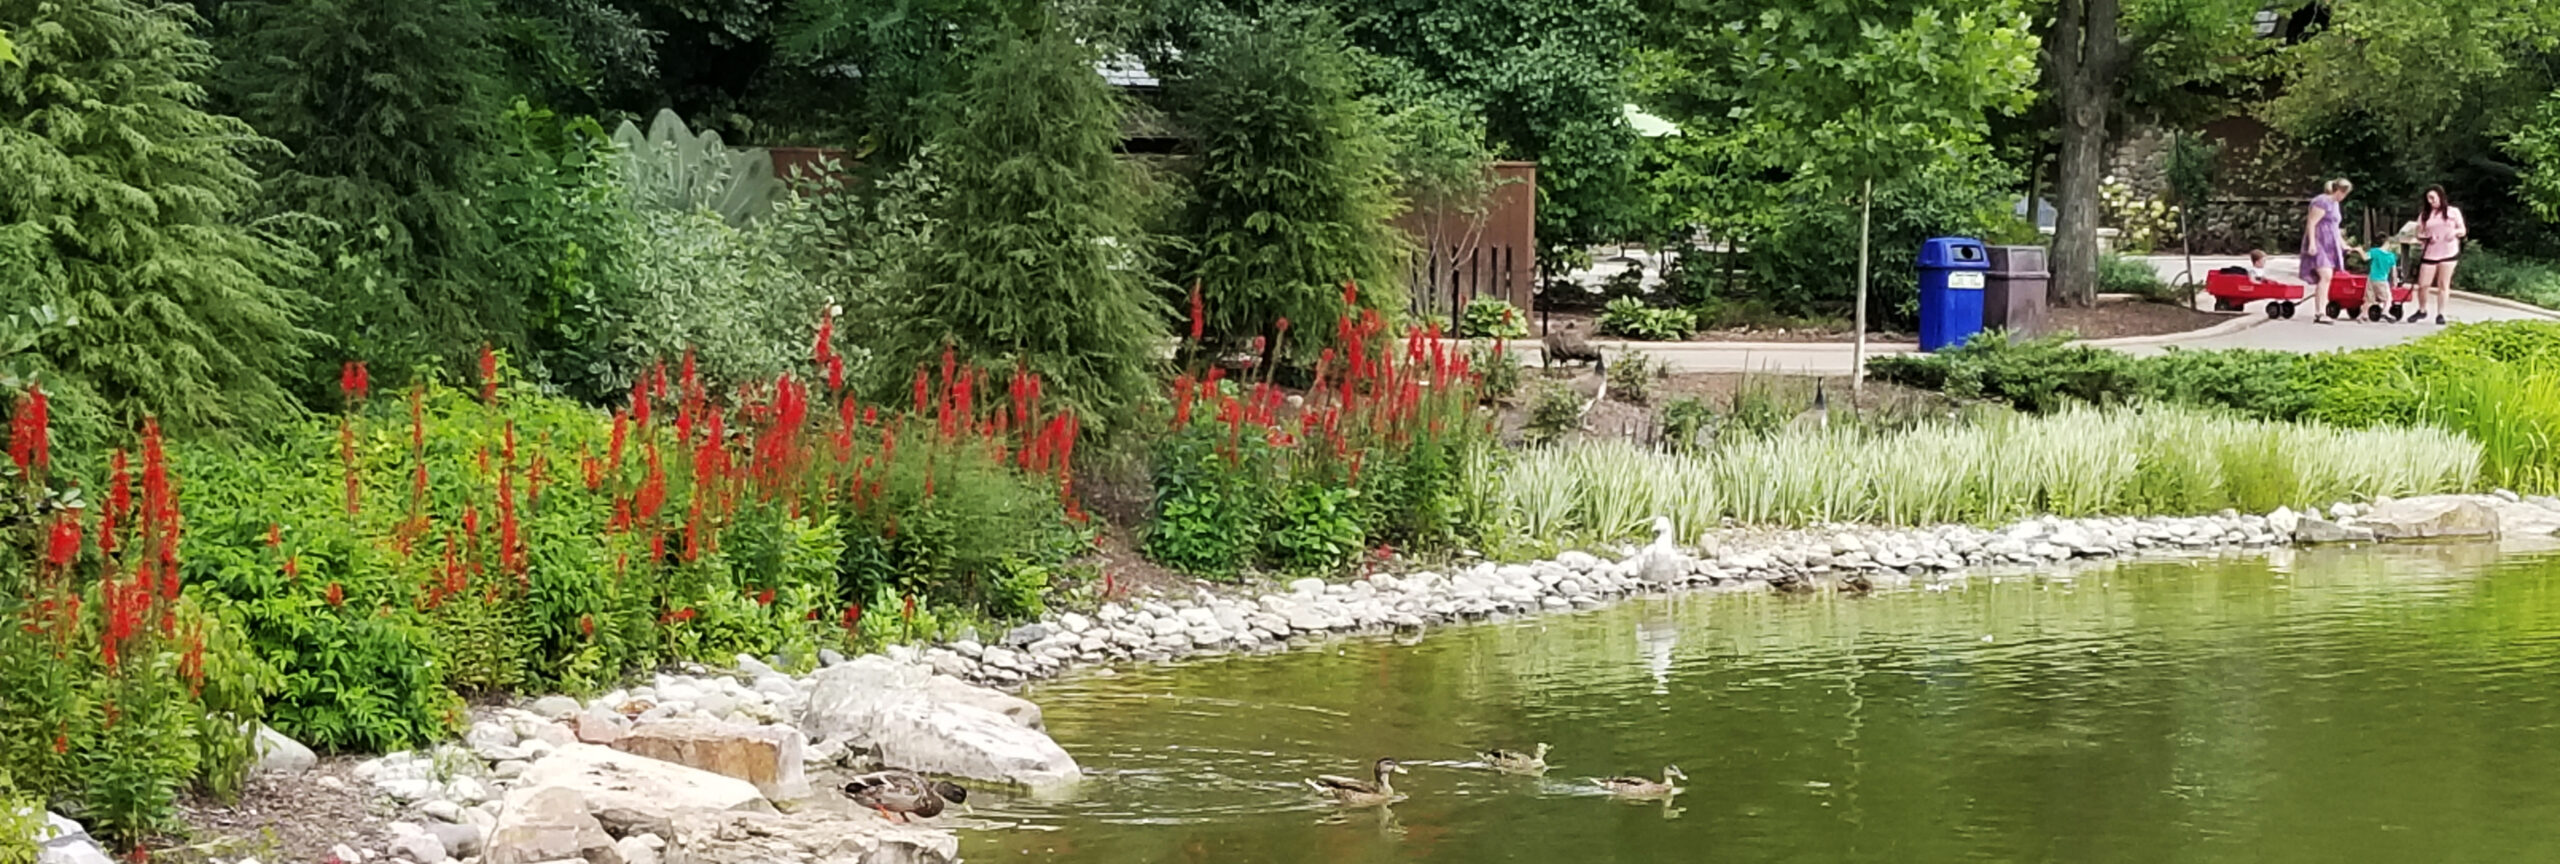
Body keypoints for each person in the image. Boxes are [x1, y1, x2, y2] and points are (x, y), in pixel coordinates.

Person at [2300, 178, 2351, 323]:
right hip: (2319, 241)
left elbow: (2334, 226)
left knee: (2328, 277)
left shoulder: (2335, 204)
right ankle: (2320, 312)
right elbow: (2312, 222)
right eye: (2344, 193)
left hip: (2330, 243)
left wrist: (2343, 243)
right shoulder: (2322, 201)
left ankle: (2322, 310)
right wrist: (2312, 243)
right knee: (2325, 275)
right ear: (2339, 191)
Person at [2413, 185, 2467, 325]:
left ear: (2440, 197)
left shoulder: (2453, 212)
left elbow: (2462, 230)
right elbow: (2418, 233)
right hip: (2430, 252)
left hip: (2448, 252)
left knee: (2443, 284)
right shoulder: (2425, 215)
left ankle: (2441, 313)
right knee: (2423, 284)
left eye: (2433, 198)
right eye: (2428, 199)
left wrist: (2454, 233)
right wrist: (2425, 237)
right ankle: (2422, 309)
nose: (2431, 201)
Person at [2362, 241, 2399, 320]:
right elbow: (2394, 271)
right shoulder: (2391, 256)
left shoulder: (2374, 251)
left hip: (2371, 278)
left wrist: (2359, 250)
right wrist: (2395, 281)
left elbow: (2365, 257)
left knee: (2369, 299)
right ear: (2387, 244)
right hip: (2382, 280)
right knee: (2388, 298)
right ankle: (2385, 311)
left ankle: (2363, 315)